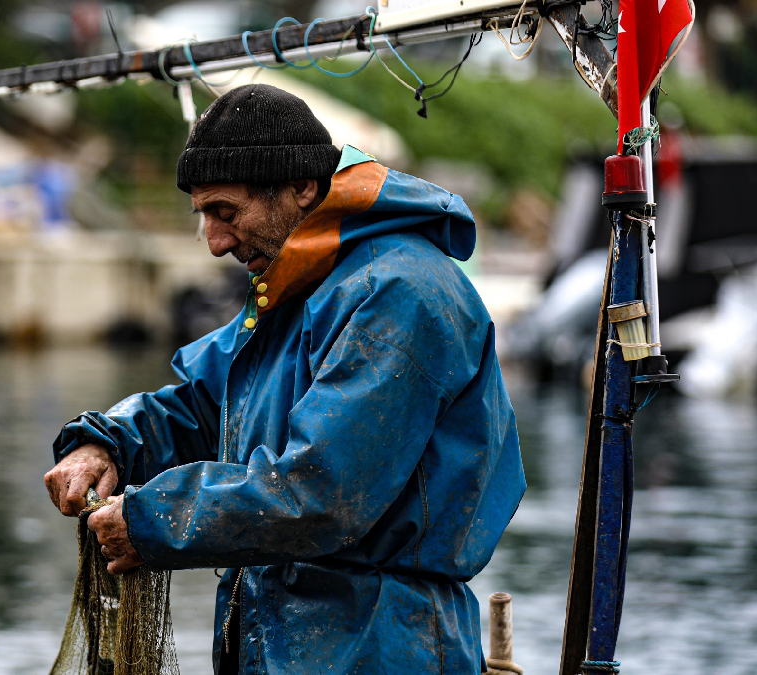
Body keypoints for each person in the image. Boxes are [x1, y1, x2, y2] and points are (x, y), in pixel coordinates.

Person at [45, 83, 525, 675]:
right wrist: (106, 441)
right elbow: (201, 406)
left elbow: (319, 494)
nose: (215, 242)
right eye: (204, 218)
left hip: (379, 646)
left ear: (301, 187)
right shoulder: (299, 285)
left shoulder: (398, 293)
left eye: (226, 212)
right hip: (281, 638)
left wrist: (149, 521)